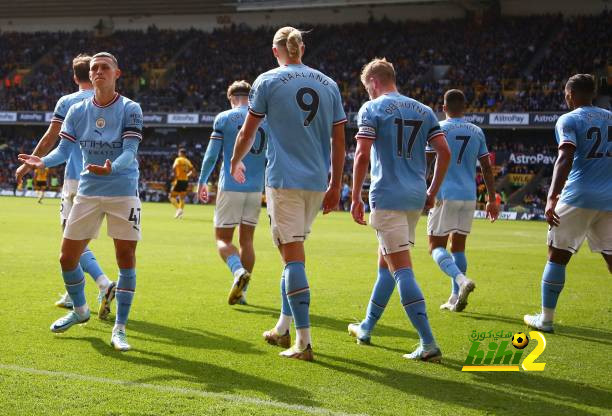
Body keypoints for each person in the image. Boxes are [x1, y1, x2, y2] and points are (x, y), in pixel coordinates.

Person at [230, 27, 346, 361]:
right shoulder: (329, 84)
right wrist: (336, 184)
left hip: (283, 179)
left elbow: (247, 131)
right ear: (302, 49)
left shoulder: (266, 81)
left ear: (275, 50)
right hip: (316, 182)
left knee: (292, 257)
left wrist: (235, 162)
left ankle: (304, 342)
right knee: (290, 252)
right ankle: (282, 327)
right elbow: (340, 141)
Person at [18, 52, 143, 351]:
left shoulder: (130, 108)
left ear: (117, 73)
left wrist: (112, 166)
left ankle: (120, 329)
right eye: (94, 68)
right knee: (66, 257)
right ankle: (81, 310)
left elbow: (130, 151)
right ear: (89, 74)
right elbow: (63, 150)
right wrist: (42, 161)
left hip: (122, 190)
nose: (98, 72)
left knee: (125, 259)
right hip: (88, 190)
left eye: (105, 68)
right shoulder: (77, 110)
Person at [348, 58, 450, 362]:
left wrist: (355, 196)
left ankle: (428, 342)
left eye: (367, 88)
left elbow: (362, 154)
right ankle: (366, 326)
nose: (367, 94)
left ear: (374, 83)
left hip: (388, 195)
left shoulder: (372, 108)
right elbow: (444, 152)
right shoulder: (425, 110)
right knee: (386, 266)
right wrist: (432, 191)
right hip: (415, 197)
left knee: (401, 269)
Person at [14, 54, 114, 314]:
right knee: (78, 240)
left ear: (74, 77)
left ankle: (102, 283)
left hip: (75, 177)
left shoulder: (69, 101)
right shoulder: (111, 100)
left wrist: (29, 163)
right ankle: (76, 294)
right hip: (108, 178)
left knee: (70, 239)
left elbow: (50, 138)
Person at [524, 74, 611, 332]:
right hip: (609, 199)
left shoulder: (569, 119)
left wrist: (552, 197)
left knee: (557, 257)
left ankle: (546, 319)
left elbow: (565, 155)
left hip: (578, 197)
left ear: (570, 94)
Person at [426, 89, 499, 312]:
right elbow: (486, 167)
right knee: (458, 247)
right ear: (465, 107)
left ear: (444, 108)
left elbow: (427, 162)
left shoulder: (439, 128)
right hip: (469, 196)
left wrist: (424, 190)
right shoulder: (476, 131)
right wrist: (491, 198)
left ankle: (461, 281)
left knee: (435, 246)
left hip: (444, 194)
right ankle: (454, 298)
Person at [198, 80, 267, 305]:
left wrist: (202, 181)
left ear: (231, 98)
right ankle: (243, 292)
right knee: (247, 240)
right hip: (256, 188)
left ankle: (237, 272)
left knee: (222, 238)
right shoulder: (265, 119)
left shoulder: (225, 118)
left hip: (231, 187)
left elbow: (211, 155)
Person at [169, 148, 194, 219]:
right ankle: (180, 214)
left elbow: (174, 167)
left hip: (178, 180)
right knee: (182, 198)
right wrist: (187, 175)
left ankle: (178, 209)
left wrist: (174, 175)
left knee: (171, 196)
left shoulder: (178, 159)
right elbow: (192, 170)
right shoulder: (187, 161)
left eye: (179, 153)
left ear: (180, 153)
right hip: (185, 181)